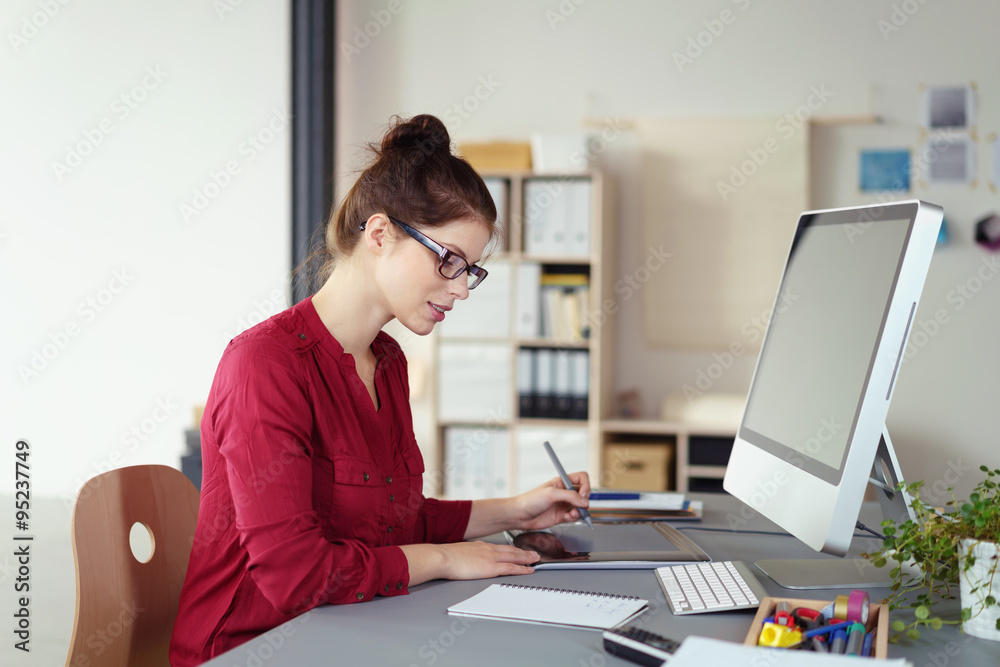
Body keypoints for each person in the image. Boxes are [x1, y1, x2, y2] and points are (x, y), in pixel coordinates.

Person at [169, 114, 591, 666]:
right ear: (379, 235)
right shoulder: (264, 366)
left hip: (339, 631)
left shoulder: (387, 362)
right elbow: (296, 577)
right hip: (251, 647)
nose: (462, 289)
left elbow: (393, 519)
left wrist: (517, 511)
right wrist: (443, 561)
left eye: (472, 272)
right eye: (449, 262)